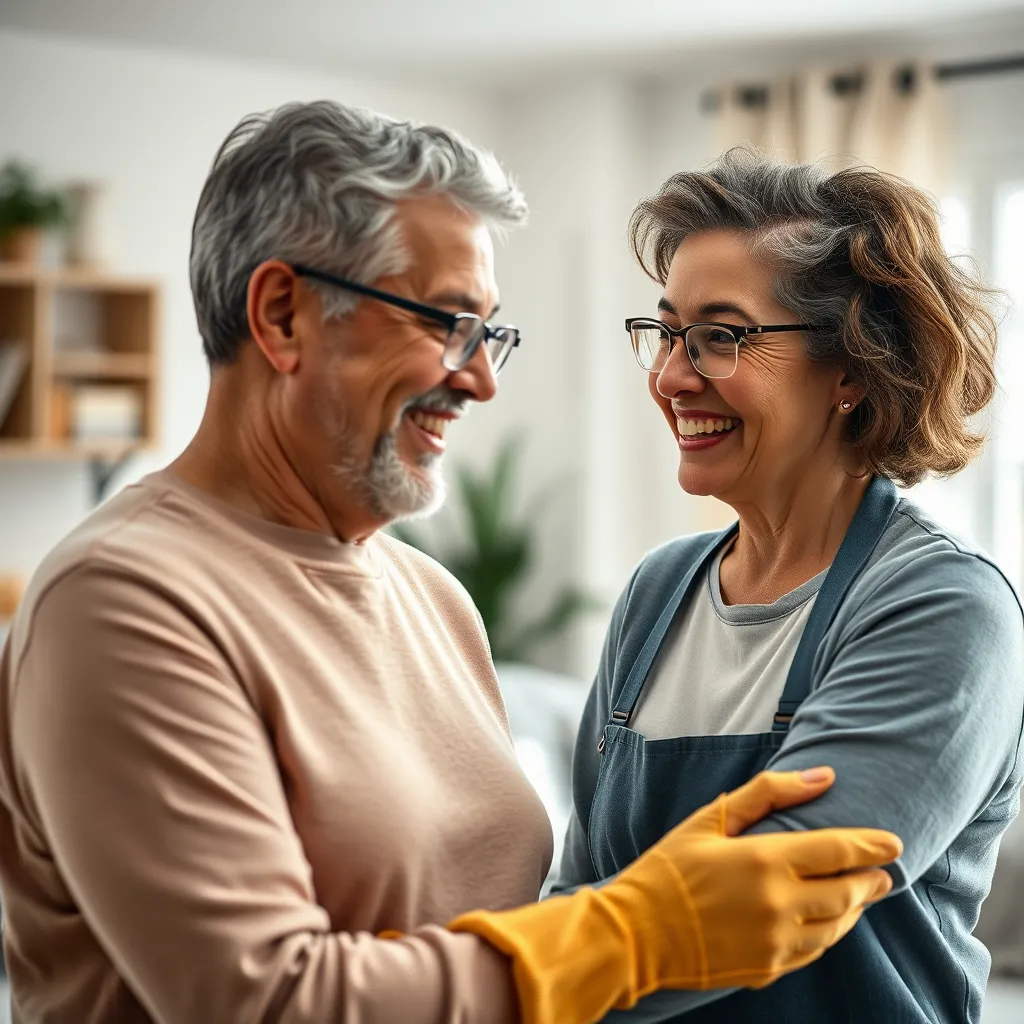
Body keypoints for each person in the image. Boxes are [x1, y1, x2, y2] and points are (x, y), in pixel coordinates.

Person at [0, 105, 901, 1024]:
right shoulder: (120, 605)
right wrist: (641, 933)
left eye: (489, 333)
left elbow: (503, 927)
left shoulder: (431, 597)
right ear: (282, 314)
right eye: (448, 324)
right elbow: (265, 1002)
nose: (481, 380)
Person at [553, 148, 1024, 1024]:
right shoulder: (659, 594)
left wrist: (477, 983)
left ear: (852, 368)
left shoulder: (942, 607)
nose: (669, 376)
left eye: (721, 336)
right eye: (665, 332)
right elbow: (580, 878)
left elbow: (784, 889)